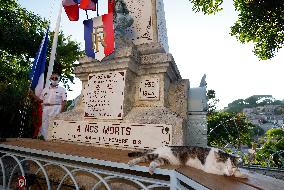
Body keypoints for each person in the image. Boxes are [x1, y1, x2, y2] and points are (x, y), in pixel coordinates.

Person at [30, 72, 67, 140]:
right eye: (52, 78)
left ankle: (53, 139)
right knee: (44, 124)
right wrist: (32, 95)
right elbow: (40, 100)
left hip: (56, 108)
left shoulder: (62, 89)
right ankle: (44, 139)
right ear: (50, 79)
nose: (54, 79)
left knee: (54, 124)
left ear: (59, 79)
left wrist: (61, 112)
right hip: (46, 108)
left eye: (56, 78)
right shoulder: (45, 89)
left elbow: (64, 101)